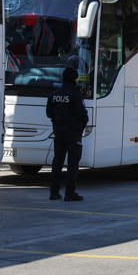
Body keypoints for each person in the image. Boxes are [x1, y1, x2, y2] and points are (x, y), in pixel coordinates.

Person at [46, 67, 89, 201]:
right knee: (73, 164)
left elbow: (49, 113)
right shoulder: (75, 95)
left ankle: (54, 192)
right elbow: (83, 115)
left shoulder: (55, 94)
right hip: (73, 134)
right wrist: (80, 126)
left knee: (57, 162)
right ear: (74, 79)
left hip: (59, 133)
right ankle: (70, 193)